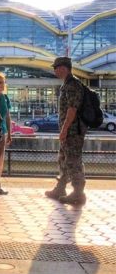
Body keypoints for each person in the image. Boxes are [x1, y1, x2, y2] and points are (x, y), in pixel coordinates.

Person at [45, 57, 87, 205]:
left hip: (73, 131)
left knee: (73, 161)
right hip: (69, 131)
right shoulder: (67, 84)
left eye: (56, 67)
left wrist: (64, 129)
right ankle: (60, 188)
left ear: (64, 68)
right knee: (63, 159)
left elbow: (72, 109)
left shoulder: (73, 85)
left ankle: (78, 193)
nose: (54, 70)